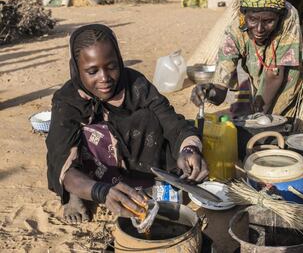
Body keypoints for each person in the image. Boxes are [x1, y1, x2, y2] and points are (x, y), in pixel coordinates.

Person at [46, 24, 208, 224]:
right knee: (79, 140)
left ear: (120, 62)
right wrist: (100, 191)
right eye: (92, 71)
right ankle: (77, 195)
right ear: (76, 70)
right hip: (91, 176)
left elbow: (171, 121)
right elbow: (62, 161)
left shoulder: (135, 84)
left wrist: (189, 148)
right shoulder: (66, 101)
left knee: (149, 117)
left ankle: (139, 183)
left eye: (112, 67)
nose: (104, 78)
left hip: (134, 162)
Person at [191, 0, 303, 116]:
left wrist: (257, 118)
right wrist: (209, 91)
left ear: (279, 18)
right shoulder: (234, 33)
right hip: (262, 69)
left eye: (268, 21)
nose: (259, 29)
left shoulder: (288, 17)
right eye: (253, 20)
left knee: (278, 115)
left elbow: (275, 74)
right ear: (245, 16)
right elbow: (221, 89)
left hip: (287, 71)